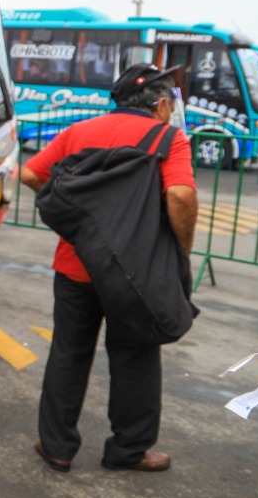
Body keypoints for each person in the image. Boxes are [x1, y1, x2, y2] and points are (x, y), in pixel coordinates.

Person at [20, 63, 198, 473]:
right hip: (136, 273)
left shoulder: (79, 132)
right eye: (170, 101)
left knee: (68, 351)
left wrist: (75, 217)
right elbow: (182, 196)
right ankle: (129, 450)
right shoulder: (168, 138)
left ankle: (56, 447)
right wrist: (180, 249)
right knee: (135, 354)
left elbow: (29, 173)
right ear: (159, 104)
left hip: (75, 264)